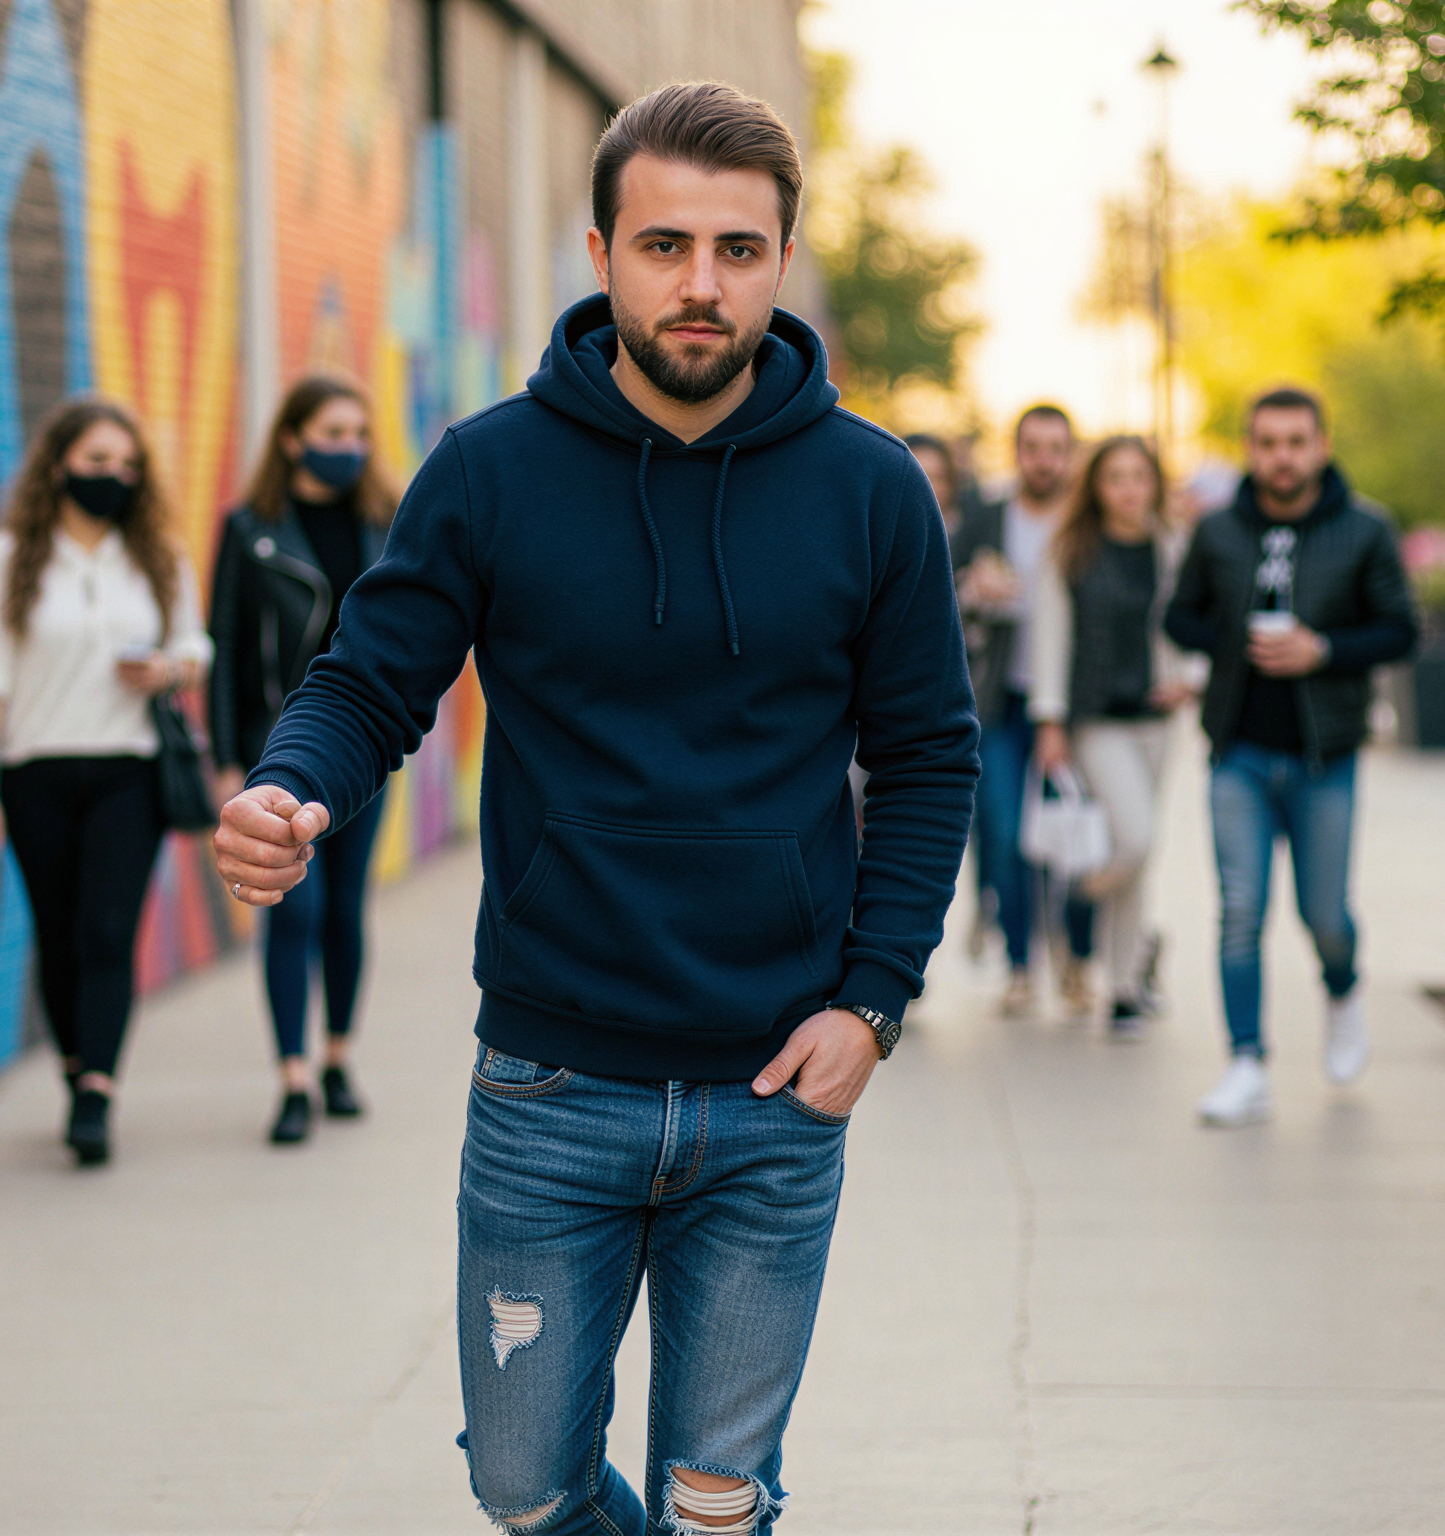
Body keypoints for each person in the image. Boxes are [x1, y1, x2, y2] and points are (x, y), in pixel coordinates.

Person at [214, 82, 977, 1536]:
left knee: (714, 1501)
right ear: (602, 252)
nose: (702, 285)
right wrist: (289, 786)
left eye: (739, 251)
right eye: (666, 245)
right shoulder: (490, 470)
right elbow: (371, 681)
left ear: (782, 260)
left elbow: (931, 758)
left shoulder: (872, 490)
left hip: (773, 1090)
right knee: (523, 1486)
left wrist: (873, 1005)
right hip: (551, 1088)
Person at [0, 396, 211, 1166]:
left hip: (128, 771)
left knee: (105, 931)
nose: (115, 477)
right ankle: (75, 1064)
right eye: (99, 462)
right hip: (34, 774)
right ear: (59, 463)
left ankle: (96, 1092)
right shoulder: (7, 559)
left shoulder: (157, 554)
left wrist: (166, 668)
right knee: (59, 936)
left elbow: (195, 646)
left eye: (128, 466)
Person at [1164, 387, 1418, 1126]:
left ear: (1321, 445)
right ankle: (1246, 1064)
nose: (1283, 457)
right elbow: (1179, 615)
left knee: (1325, 915)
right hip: (1236, 753)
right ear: (1251, 448)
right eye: (1268, 442)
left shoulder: (1366, 528)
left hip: (1325, 757)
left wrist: (1323, 649)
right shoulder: (1217, 531)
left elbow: (1401, 630)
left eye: (1296, 442)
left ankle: (1342, 989)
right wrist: (1232, 643)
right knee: (1239, 912)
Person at [209, 374, 400, 1145]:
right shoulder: (251, 530)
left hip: (366, 752)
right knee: (296, 911)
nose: (348, 450)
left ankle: (337, 1058)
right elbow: (224, 651)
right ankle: (291, 1077)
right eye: (331, 434)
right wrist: (228, 760)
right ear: (292, 438)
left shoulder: (388, 525)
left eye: (358, 435)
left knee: (347, 908)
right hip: (277, 751)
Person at [1030, 436, 1195, 1036]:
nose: (1129, 489)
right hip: (1095, 720)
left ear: (1154, 483)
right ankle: (1077, 900)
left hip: (1156, 719)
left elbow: (1197, 620)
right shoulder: (1070, 550)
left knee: (1142, 855)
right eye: (1115, 477)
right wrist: (1050, 722)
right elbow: (1050, 638)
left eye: (1139, 477)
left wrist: (1191, 679)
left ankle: (1124, 989)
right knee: (1136, 840)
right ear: (1096, 487)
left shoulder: (1172, 547)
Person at [962, 405, 1094, 1014]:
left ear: (1071, 454)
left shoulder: (1087, 522)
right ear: (1017, 452)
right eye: (1033, 447)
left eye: (1055, 447)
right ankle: (1020, 965)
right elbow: (942, 583)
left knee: (1074, 835)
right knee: (1007, 832)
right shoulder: (988, 514)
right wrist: (974, 589)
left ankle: (1077, 957)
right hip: (1001, 701)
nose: (1044, 459)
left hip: (1074, 703)